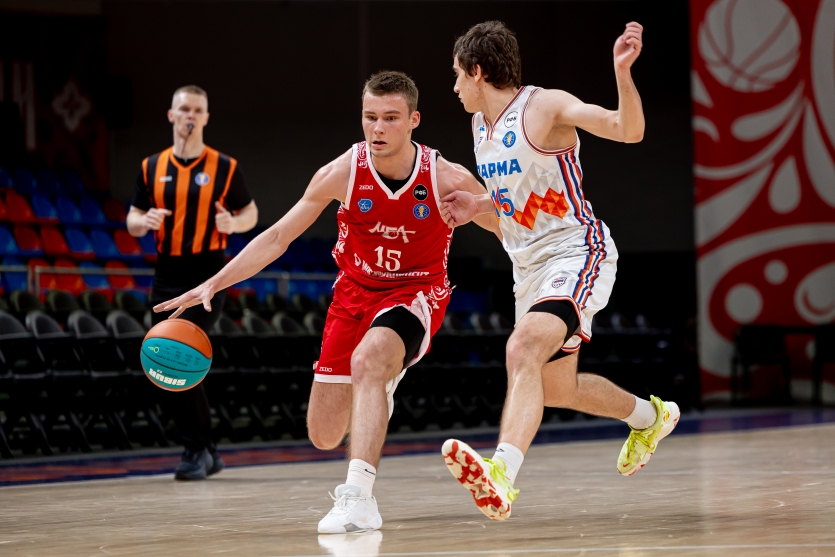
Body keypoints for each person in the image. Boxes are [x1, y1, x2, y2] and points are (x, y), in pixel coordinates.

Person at [154, 71, 500, 533]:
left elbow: (508, 225)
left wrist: (500, 229)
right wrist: (213, 284)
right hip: (353, 294)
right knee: (323, 433)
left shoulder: (444, 177)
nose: (378, 128)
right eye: (370, 117)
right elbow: (277, 236)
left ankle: (359, 497)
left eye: (391, 118)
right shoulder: (341, 172)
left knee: (370, 359)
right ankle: (376, 386)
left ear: (414, 120)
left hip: (415, 292)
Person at [438, 21, 680, 521]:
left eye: (458, 75)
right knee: (556, 388)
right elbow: (514, 200)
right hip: (528, 267)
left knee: (522, 347)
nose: (455, 86)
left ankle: (501, 475)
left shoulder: (544, 106)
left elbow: (627, 129)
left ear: (478, 71)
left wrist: (622, 73)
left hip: (575, 251)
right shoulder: (480, 127)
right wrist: (477, 206)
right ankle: (649, 417)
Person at [127, 85, 258, 480]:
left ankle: (196, 449)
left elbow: (250, 213)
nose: (190, 115)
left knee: (176, 352)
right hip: (166, 273)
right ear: (171, 115)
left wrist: (233, 223)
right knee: (161, 360)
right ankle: (206, 449)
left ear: (206, 117)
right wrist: (144, 221)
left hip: (208, 275)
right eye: (184, 109)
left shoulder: (225, 167)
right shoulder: (151, 166)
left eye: (197, 110)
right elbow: (132, 219)